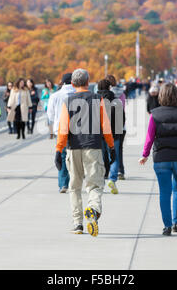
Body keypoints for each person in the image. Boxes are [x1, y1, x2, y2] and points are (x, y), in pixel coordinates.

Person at [55, 69, 115, 236]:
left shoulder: (68, 101)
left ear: (73, 84)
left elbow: (63, 129)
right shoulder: (98, 99)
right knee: (95, 184)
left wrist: (58, 150)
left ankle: (77, 223)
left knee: (74, 187)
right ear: (88, 83)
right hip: (93, 147)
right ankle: (93, 209)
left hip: (73, 148)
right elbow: (106, 127)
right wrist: (111, 147)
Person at [139, 83, 177, 236]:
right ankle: (176, 223)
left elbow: (149, 137)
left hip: (162, 158)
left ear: (161, 96)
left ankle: (167, 226)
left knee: (164, 192)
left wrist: (145, 155)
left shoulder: (155, 114)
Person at [47, 73, 75, 194]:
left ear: (63, 82)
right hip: (76, 129)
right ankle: (74, 183)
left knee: (62, 156)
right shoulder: (77, 94)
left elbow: (50, 115)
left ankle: (63, 184)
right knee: (75, 157)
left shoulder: (55, 96)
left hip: (60, 129)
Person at [97, 79, 125, 194]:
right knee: (114, 157)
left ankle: (102, 178)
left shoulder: (95, 101)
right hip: (114, 133)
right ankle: (112, 179)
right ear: (109, 88)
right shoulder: (116, 100)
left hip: (99, 133)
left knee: (102, 157)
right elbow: (122, 118)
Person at [106, 75, 126, 180]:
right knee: (118, 150)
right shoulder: (121, 93)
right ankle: (120, 170)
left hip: (108, 125)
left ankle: (108, 172)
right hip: (120, 125)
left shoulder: (104, 94)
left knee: (107, 150)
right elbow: (123, 108)